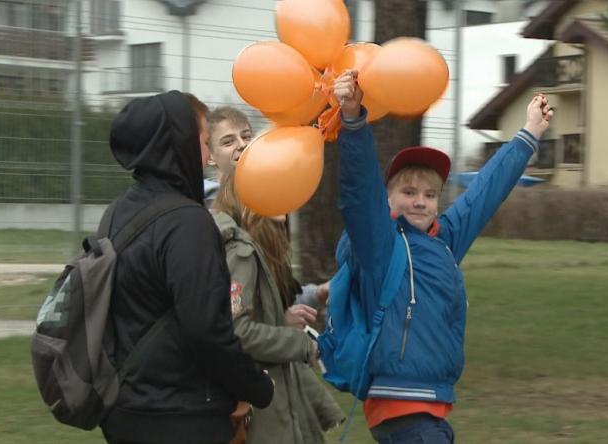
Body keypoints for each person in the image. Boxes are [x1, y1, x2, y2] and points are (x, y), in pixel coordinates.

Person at [333, 70, 553, 443]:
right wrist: (353, 120)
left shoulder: (444, 240)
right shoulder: (379, 245)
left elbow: (485, 193)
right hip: (401, 407)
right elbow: (359, 189)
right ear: (387, 198)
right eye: (408, 192)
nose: (420, 201)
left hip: (429, 407)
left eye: (430, 194)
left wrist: (529, 133)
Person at [100, 91, 274, 444]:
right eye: (202, 140)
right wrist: (256, 385)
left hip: (125, 405)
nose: (208, 153)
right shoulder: (188, 222)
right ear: (175, 143)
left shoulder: (117, 212)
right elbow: (206, 330)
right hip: (180, 415)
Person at [211, 165, 345, 443]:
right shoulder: (241, 251)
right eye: (273, 186)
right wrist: (300, 343)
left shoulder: (262, 241)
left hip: (274, 391)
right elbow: (236, 330)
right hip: (260, 397)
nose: (284, 194)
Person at [205, 105, 330, 315]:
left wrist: (317, 294)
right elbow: (227, 314)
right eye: (228, 142)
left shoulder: (272, 207)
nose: (242, 145)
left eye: (246, 136)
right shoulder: (206, 220)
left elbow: (278, 295)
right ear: (210, 156)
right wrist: (281, 323)